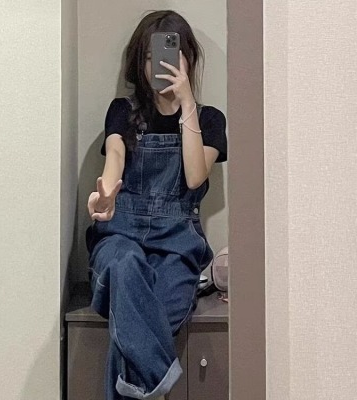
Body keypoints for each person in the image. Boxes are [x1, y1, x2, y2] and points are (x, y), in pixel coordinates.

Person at [86, 10, 227, 400]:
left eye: (169, 55)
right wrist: (105, 196)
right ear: (139, 61)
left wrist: (187, 104)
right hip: (120, 233)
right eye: (150, 57)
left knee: (145, 316)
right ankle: (156, 388)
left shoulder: (210, 120)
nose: (158, 66)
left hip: (177, 246)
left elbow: (195, 176)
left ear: (189, 59)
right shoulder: (122, 111)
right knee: (124, 265)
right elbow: (115, 156)